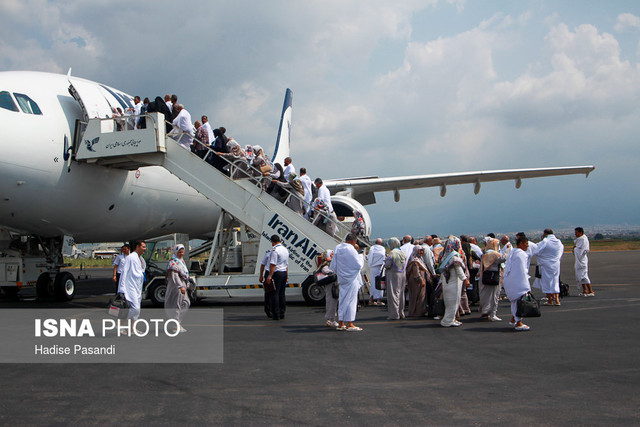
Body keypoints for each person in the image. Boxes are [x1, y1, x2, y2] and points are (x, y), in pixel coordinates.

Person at [330, 233, 364, 331]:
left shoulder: (338, 248)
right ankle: (350, 323)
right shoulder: (351, 249)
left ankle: (341, 323)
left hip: (342, 278)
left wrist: (340, 273)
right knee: (351, 301)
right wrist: (360, 255)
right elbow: (358, 265)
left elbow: (333, 266)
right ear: (354, 241)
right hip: (351, 278)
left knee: (342, 300)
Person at [437, 236, 470, 327]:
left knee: (452, 302)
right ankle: (447, 321)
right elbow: (459, 270)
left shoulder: (445, 256)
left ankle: (451, 319)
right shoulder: (454, 257)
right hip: (453, 282)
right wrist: (465, 280)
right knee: (453, 302)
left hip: (447, 282)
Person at [502, 235, 533, 331]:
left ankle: (513, 319)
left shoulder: (514, 251)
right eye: (526, 243)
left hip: (510, 280)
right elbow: (522, 270)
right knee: (519, 301)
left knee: (515, 302)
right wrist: (526, 284)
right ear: (521, 243)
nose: (527, 246)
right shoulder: (521, 254)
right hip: (517, 281)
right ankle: (518, 323)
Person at [532, 228, 564, 306]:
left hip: (546, 264)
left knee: (546, 281)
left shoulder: (545, 241)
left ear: (545, 234)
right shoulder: (559, 242)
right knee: (555, 281)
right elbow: (560, 253)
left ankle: (550, 300)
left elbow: (537, 251)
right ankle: (557, 299)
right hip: (556, 264)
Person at [478, 238, 507, 321]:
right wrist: (508, 249)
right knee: (494, 296)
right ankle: (492, 313)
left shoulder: (485, 253)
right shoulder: (494, 254)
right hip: (493, 277)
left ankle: (485, 311)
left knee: (485, 295)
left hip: (485, 277)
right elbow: (503, 258)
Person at [118, 240, 147, 322]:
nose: (145, 249)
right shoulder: (130, 258)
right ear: (137, 247)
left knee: (137, 309)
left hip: (138, 286)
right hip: (130, 286)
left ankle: (132, 329)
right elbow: (124, 273)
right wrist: (121, 288)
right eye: (143, 247)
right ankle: (121, 324)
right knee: (135, 308)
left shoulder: (140, 259)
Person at [164, 244, 190, 332]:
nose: (181, 253)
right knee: (176, 305)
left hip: (183, 285)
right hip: (176, 287)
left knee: (186, 303)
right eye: (179, 252)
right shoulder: (173, 262)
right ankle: (175, 326)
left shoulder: (181, 261)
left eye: (182, 252)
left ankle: (177, 322)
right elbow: (174, 276)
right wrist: (180, 286)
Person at [266, 235, 289, 320]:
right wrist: (287, 275)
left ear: (272, 242)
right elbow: (286, 265)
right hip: (284, 273)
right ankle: (282, 312)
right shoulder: (285, 249)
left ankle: (276, 314)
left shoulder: (274, 250)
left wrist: (269, 276)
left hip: (277, 273)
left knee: (275, 293)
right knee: (282, 294)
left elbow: (273, 265)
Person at [384, 237, 407, 320]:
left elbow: (387, 265)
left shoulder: (392, 253)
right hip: (402, 274)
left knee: (393, 294)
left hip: (393, 274)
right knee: (401, 294)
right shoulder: (402, 252)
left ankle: (394, 314)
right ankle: (401, 312)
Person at [317, 250, 338, 327]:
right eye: (331, 254)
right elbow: (325, 270)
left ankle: (331, 319)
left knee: (333, 301)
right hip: (330, 285)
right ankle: (330, 319)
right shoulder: (326, 264)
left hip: (333, 284)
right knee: (331, 301)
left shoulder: (330, 263)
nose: (333, 256)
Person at [406, 245, 428, 317]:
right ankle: (416, 312)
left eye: (422, 251)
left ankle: (418, 311)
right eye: (420, 251)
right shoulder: (415, 260)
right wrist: (421, 280)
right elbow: (416, 273)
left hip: (417, 280)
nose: (421, 252)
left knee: (418, 296)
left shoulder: (419, 258)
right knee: (417, 296)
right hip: (416, 281)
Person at [574, 227, 594, 296]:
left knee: (584, 276)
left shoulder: (583, 239)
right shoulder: (580, 240)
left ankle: (591, 291)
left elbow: (582, 251)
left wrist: (575, 249)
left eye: (576, 232)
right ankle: (585, 290)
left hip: (582, 260)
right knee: (580, 276)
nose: (575, 234)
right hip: (578, 261)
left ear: (580, 233)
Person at [367, 238, 386, 306]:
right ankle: (379, 299)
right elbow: (384, 257)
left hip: (372, 267)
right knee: (380, 282)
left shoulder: (372, 248)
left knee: (373, 282)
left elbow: (369, 257)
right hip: (380, 267)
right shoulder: (383, 249)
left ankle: (371, 299)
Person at [258, 248, 274, 318]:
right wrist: (261, 275)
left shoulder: (270, 253)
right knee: (269, 293)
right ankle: (268, 310)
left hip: (273, 273)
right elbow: (262, 264)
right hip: (270, 273)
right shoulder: (269, 253)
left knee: (273, 293)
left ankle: (273, 310)